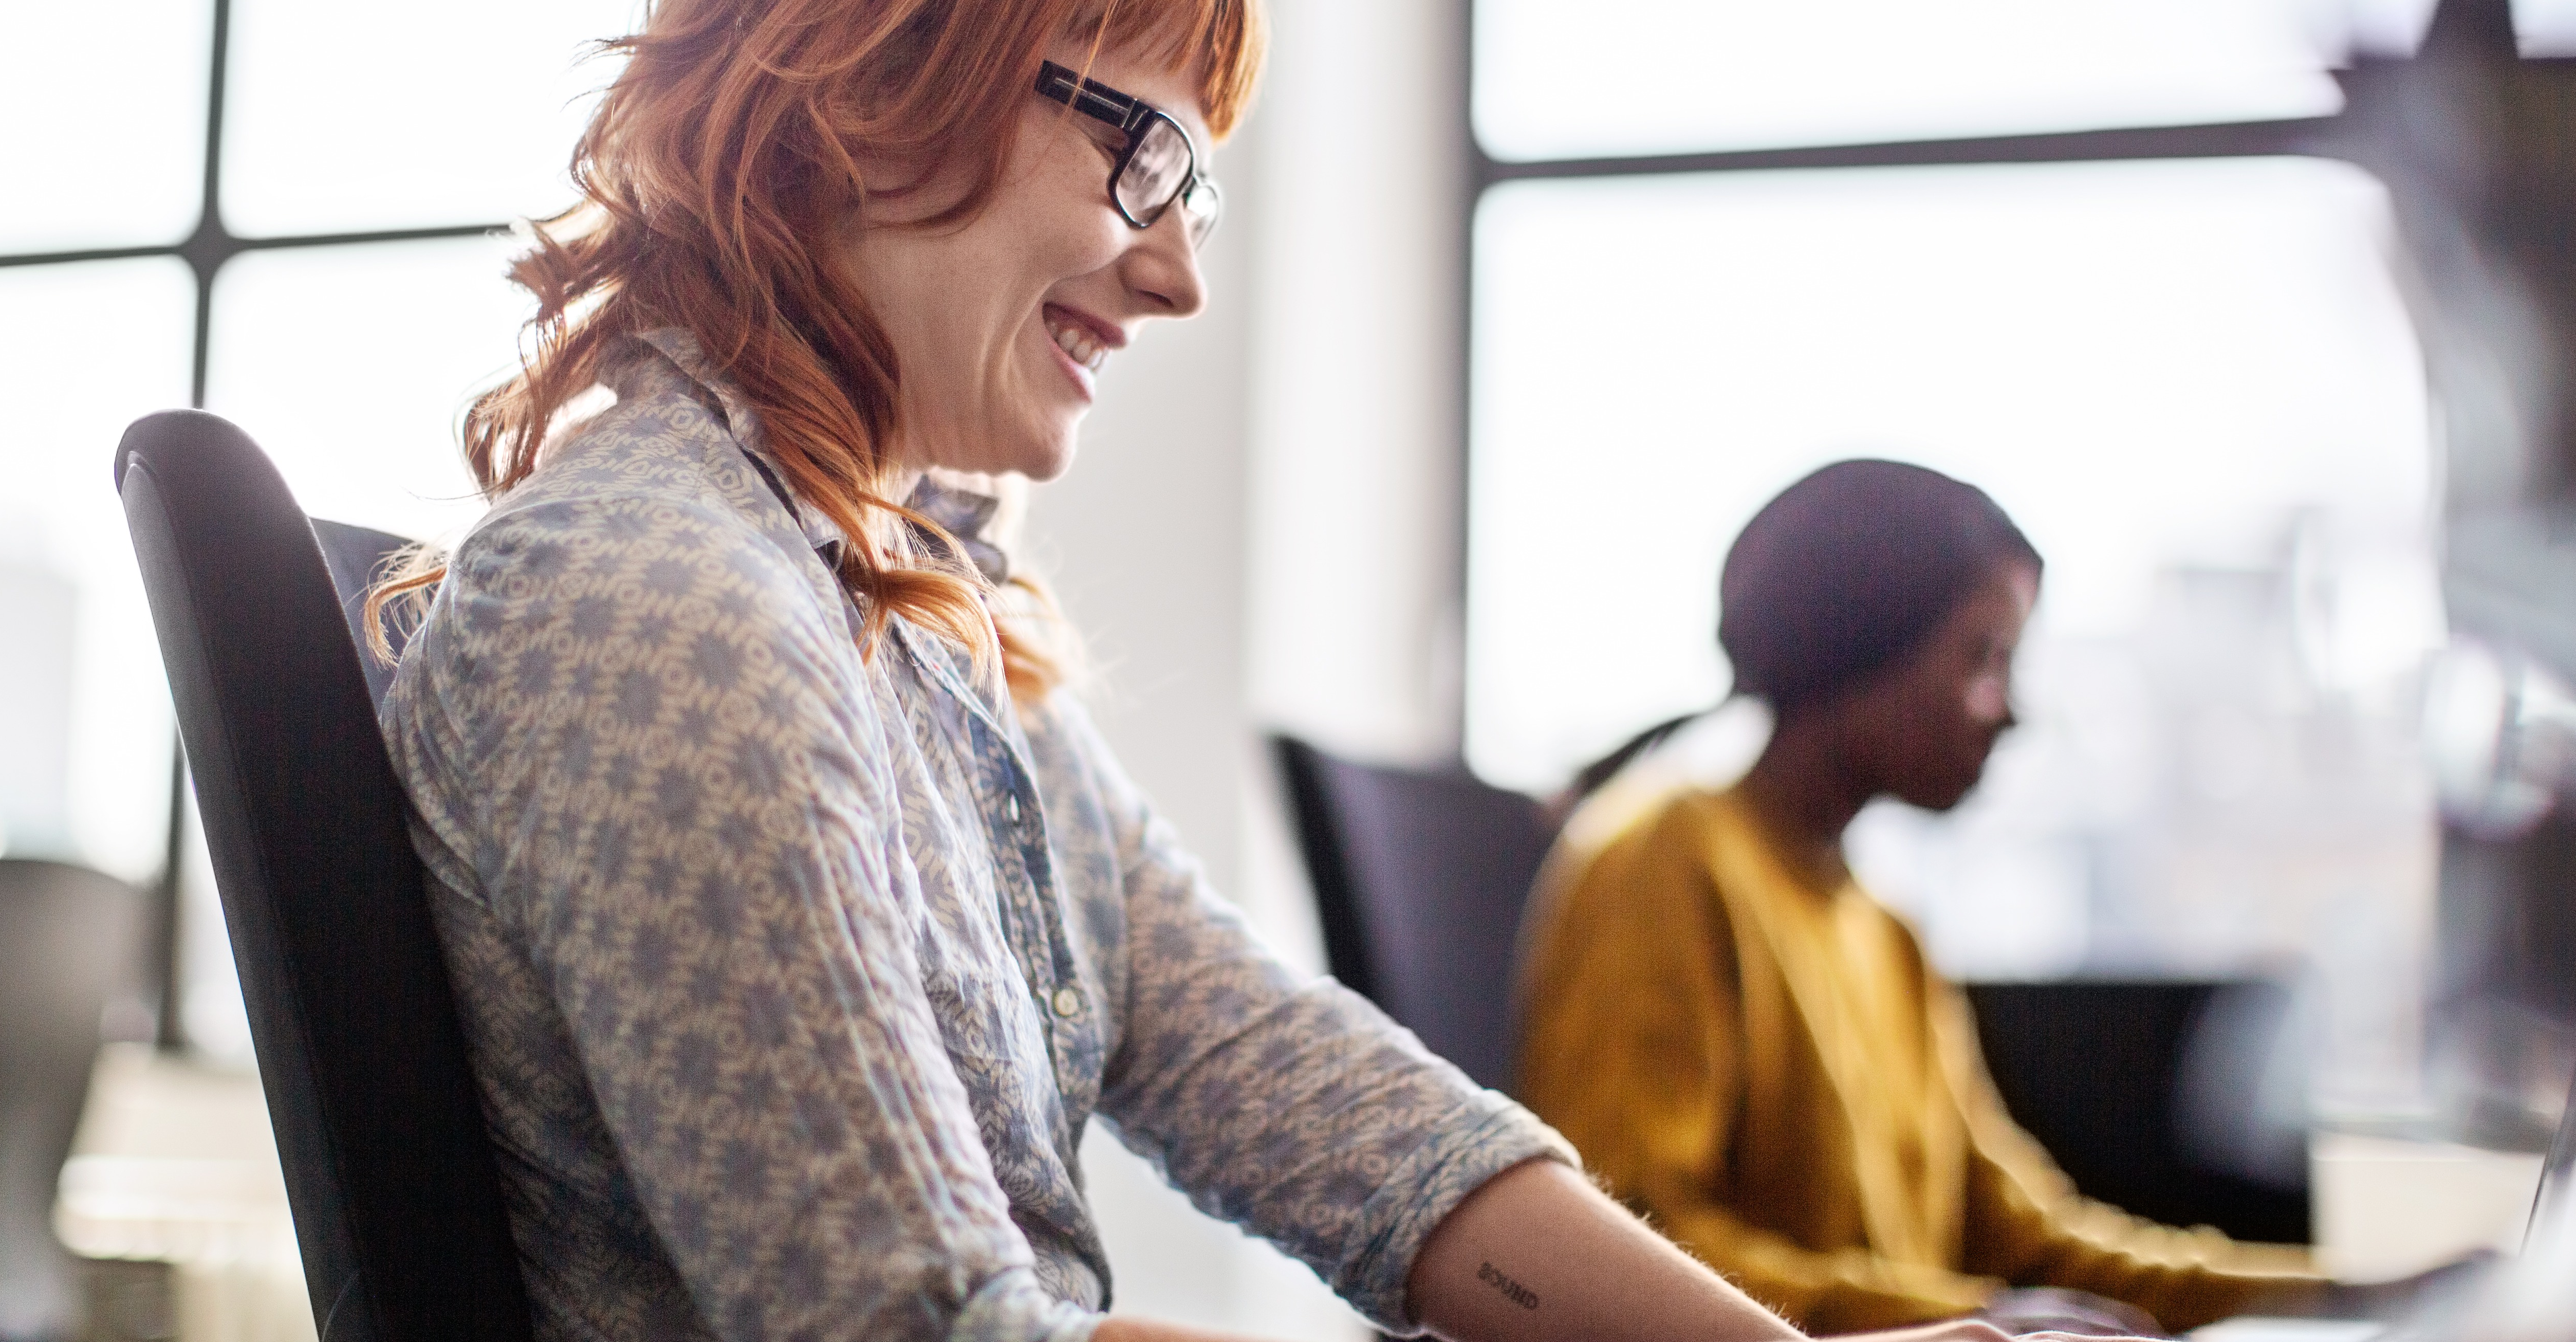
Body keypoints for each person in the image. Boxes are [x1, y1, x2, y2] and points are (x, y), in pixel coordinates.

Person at [365, 6, 2043, 1342]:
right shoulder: (667, 608)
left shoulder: (915, 623)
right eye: (1142, 158)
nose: (1176, 274)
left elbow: (1295, 1088)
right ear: (870, 74)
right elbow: (926, 1335)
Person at [1515, 461, 2330, 1336]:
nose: (2010, 711)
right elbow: (1629, 1246)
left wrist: (2344, 1297)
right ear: (1856, 646)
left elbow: (2027, 1244)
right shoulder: (1663, 861)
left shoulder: (1885, 932)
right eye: (1983, 658)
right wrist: (1985, 1323)